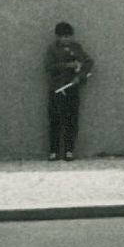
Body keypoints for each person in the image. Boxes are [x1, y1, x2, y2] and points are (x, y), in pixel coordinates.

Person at [45, 22, 95, 161]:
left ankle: (69, 151)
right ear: (58, 37)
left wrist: (80, 77)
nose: (68, 39)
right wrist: (68, 66)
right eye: (64, 37)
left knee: (71, 119)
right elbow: (49, 67)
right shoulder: (52, 49)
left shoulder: (77, 47)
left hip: (72, 87)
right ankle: (54, 151)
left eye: (70, 36)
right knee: (55, 120)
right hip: (56, 88)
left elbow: (88, 62)